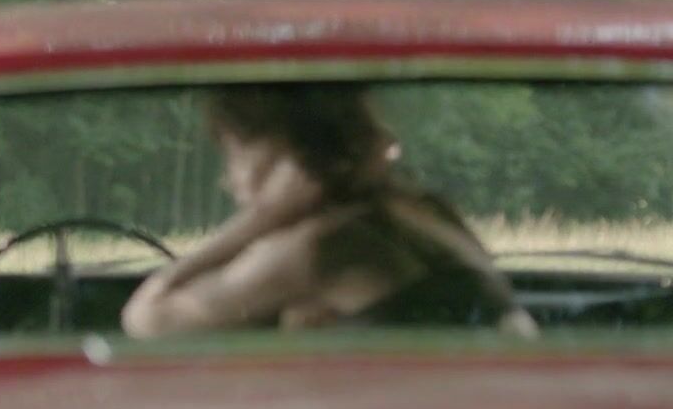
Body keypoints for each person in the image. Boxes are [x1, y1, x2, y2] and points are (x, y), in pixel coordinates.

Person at [122, 84, 537, 339]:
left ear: (287, 156)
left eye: (234, 154)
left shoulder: (318, 250)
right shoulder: (425, 209)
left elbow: (146, 320)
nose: (228, 180)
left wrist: (262, 219)